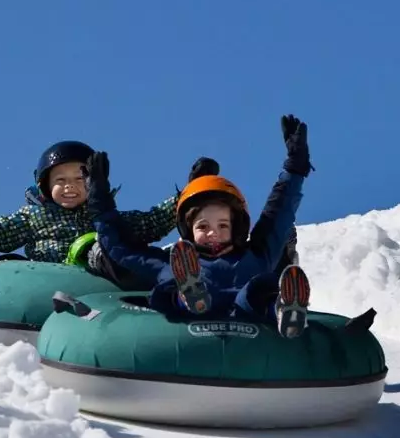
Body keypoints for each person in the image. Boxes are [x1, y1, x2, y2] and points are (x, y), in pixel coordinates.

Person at [86, 114, 314, 338]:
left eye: (223, 225)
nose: (213, 233)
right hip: (191, 320)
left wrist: (295, 167)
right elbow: (122, 248)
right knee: (171, 285)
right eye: (203, 227)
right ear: (188, 230)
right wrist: (99, 202)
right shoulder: (171, 261)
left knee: (260, 288)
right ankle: (190, 294)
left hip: (247, 313)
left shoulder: (256, 255)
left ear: (237, 228)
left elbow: (278, 213)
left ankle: (284, 311)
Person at [0, 141, 179, 269]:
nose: (70, 186)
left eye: (80, 179)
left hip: (102, 288)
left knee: (125, 248)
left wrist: (191, 195)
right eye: (60, 180)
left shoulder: (108, 218)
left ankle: (178, 272)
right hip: (51, 284)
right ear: (45, 186)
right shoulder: (33, 217)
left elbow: (152, 221)